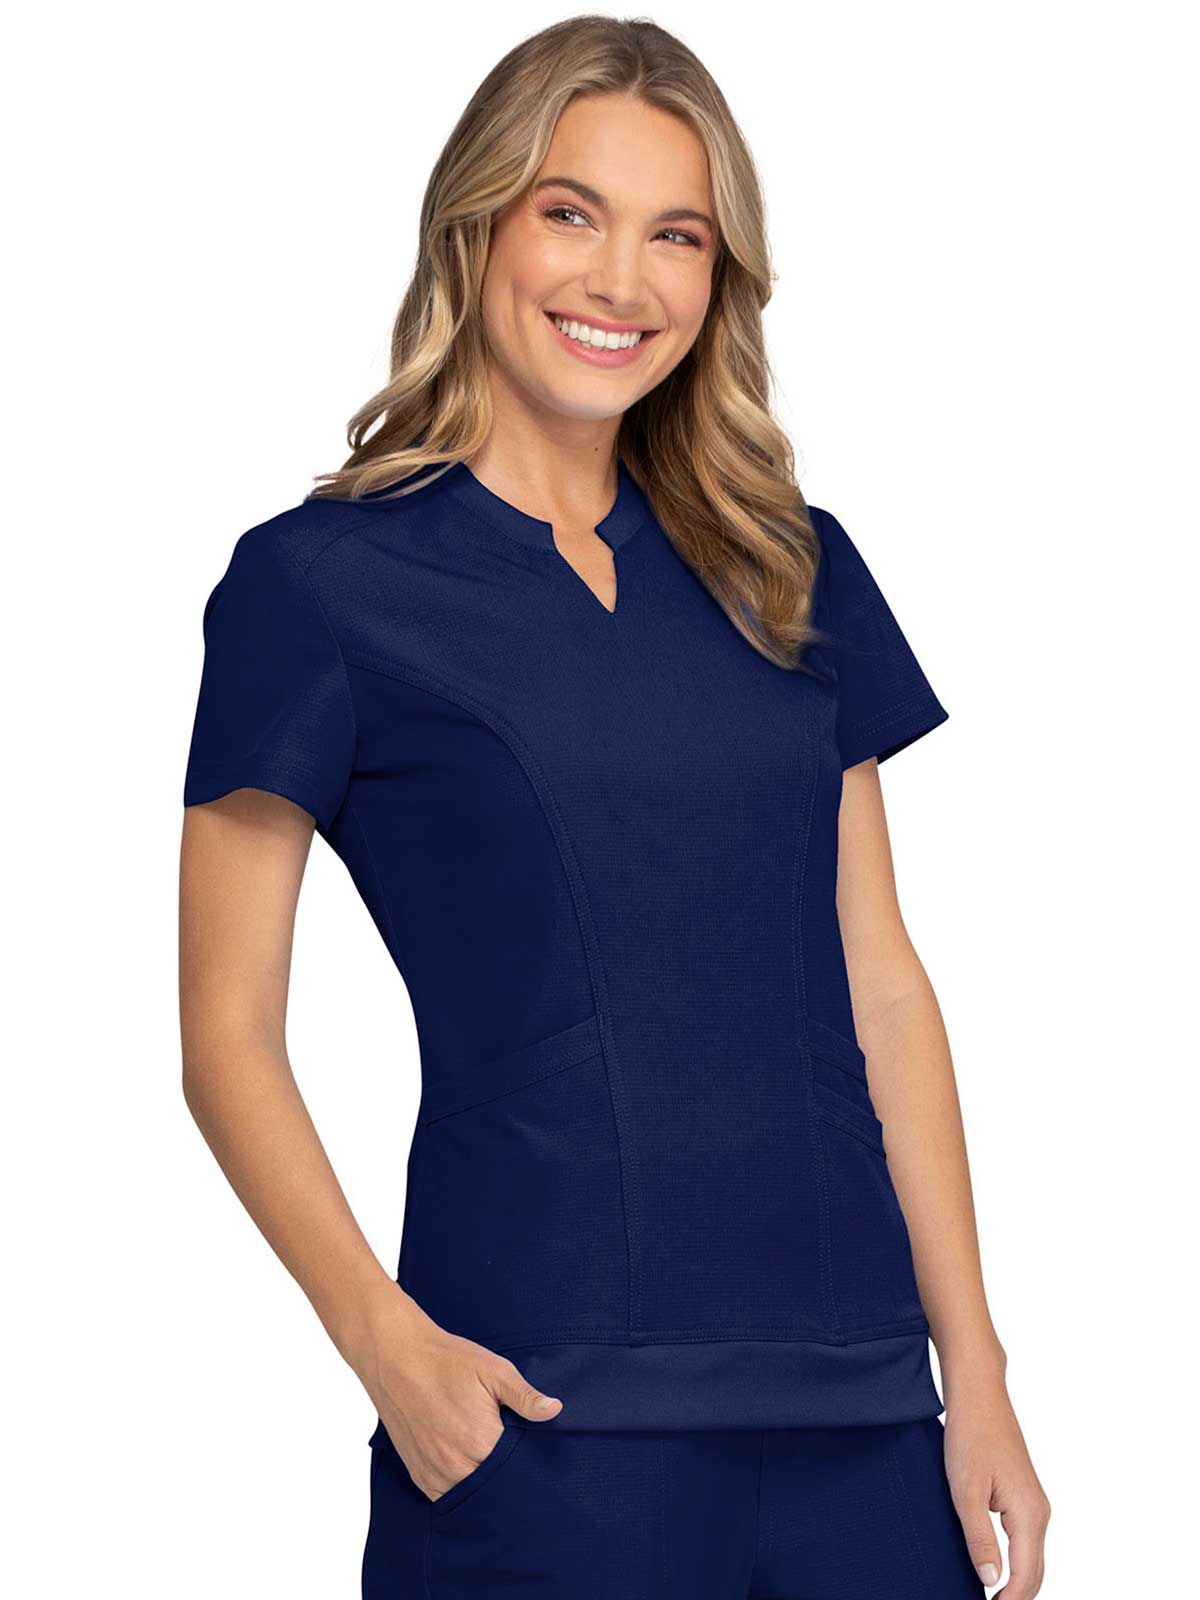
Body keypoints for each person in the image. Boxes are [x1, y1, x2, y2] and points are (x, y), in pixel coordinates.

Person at [178, 16, 1050, 1599]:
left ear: (721, 277)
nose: (621, 280)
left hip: (863, 1416)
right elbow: (226, 1033)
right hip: (539, 1422)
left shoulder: (792, 564)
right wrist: (384, 1344)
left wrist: (974, 1369)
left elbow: (882, 984)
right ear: (478, 226)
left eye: (678, 235)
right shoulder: (319, 588)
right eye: (570, 213)